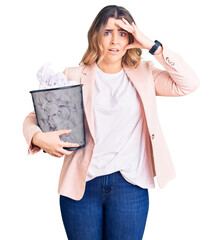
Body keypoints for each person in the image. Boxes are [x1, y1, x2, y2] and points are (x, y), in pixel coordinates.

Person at [23, 5, 200, 240]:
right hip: (82, 187)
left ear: (131, 37)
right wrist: (38, 137)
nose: (114, 41)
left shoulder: (146, 73)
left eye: (122, 33)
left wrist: (152, 46)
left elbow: (188, 83)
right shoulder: (74, 75)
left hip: (130, 186)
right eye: (107, 32)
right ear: (96, 35)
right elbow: (33, 117)